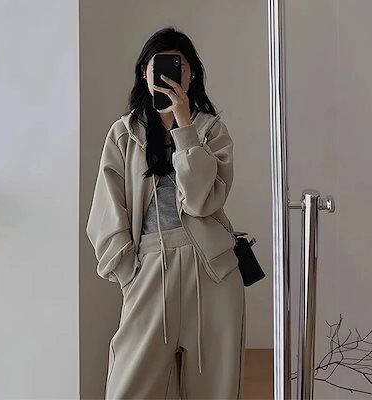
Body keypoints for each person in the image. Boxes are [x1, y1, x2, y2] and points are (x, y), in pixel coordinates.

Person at [86, 26, 246, 400]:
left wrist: (185, 126)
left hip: (211, 271)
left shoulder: (211, 130)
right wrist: (128, 273)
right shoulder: (123, 133)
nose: (171, 74)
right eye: (158, 65)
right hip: (147, 268)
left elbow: (203, 201)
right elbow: (106, 210)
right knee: (127, 389)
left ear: (192, 75)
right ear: (144, 73)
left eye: (180, 66)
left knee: (214, 391)